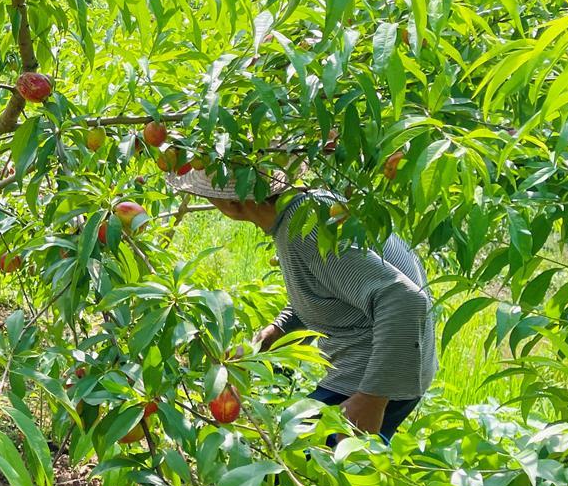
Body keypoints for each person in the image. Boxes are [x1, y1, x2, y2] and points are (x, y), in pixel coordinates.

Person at [170, 168, 436, 438]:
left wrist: (370, 400)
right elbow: (332, 289)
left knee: (289, 469)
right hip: (398, 367)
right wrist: (274, 334)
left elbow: (404, 299)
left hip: (374, 375)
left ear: (232, 204)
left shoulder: (306, 232)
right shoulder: (314, 207)